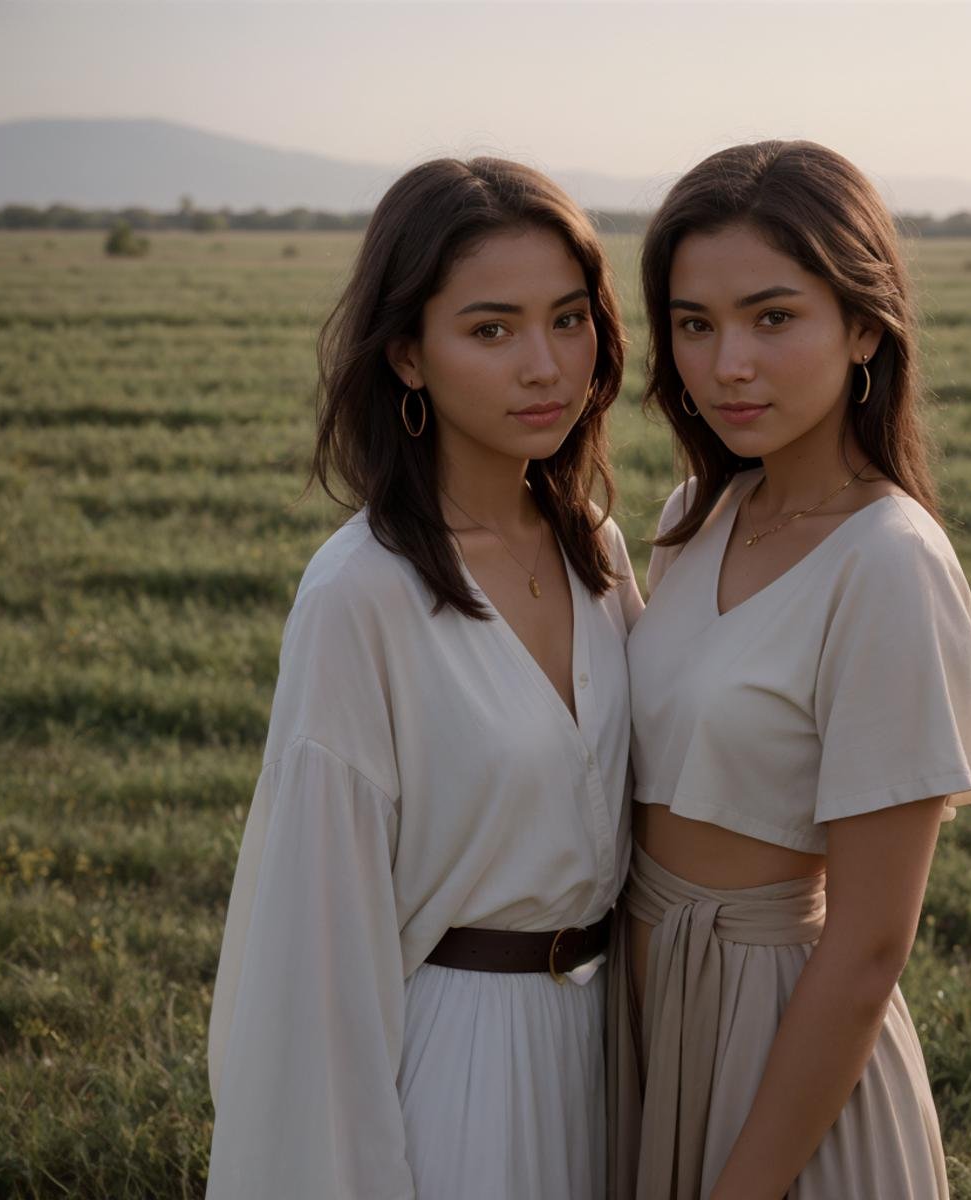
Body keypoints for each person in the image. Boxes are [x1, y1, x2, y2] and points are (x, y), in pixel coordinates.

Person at [206, 157, 643, 1200]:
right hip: (463, 1071)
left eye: (569, 318)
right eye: (490, 330)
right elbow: (319, 950)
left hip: (613, 1047)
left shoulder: (599, 550)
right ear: (408, 354)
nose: (544, 364)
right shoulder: (362, 593)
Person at [608, 140, 971, 1200]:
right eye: (694, 325)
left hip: (782, 1035)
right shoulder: (694, 518)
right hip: (646, 1012)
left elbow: (870, 947)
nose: (726, 363)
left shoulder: (889, 562)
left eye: (773, 316)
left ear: (865, 325)